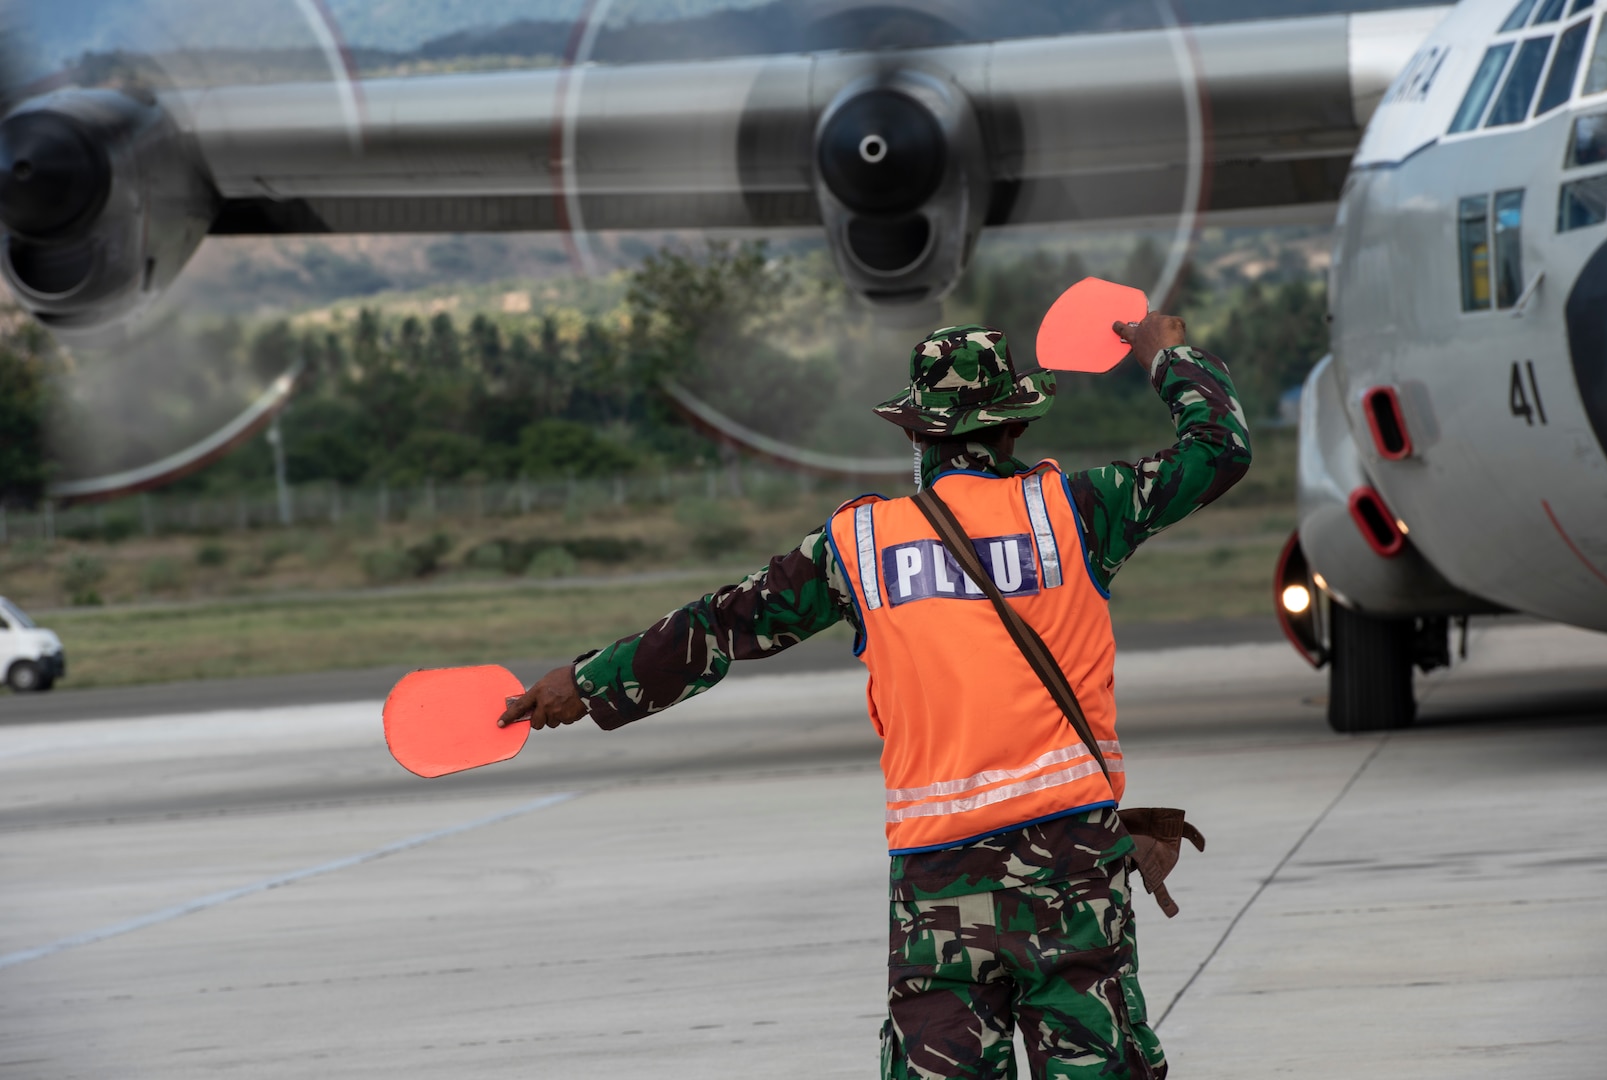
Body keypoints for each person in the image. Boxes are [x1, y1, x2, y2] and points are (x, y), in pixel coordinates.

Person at [498, 311, 1250, 1079]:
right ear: (1012, 431)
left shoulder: (858, 546)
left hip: (935, 883)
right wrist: (1169, 355)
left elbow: (720, 625)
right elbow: (1220, 451)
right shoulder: (1080, 512)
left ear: (915, 436)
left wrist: (586, 683)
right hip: (1070, 864)